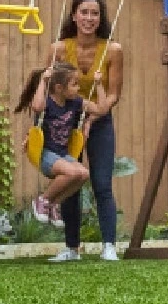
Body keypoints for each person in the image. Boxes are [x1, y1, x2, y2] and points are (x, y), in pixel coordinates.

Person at [42, 0, 124, 262]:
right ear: (74, 16)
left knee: (101, 183)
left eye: (95, 13)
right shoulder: (59, 49)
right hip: (66, 124)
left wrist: (93, 117)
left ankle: (109, 246)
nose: (89, 18)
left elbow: (113, 94)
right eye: (84, 12)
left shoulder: (113, 50)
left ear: (101, 19)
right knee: (71, 182)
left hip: (98, 122)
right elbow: (49, 90)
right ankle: (71, 248)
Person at [16, 61, 105, 218]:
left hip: (63, 154)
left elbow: (101, 109)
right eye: (74, 84)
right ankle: (42, 200)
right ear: (59, 88)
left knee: (83, 174)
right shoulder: (47, 103)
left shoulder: (75, 102)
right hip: (45, 154)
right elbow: (36, 106)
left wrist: (99, 85)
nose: (78, 88)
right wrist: (43, 81)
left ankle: (54, 204)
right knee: (72, 173)